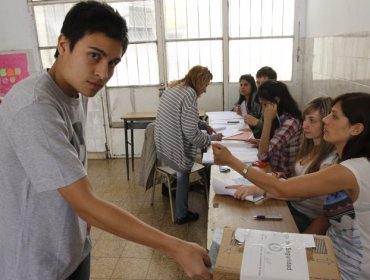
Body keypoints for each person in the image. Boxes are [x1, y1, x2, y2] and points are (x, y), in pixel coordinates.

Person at [0, 2, 212, 280]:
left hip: (72, 248)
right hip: (36, 263)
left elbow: (73, 170)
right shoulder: (34, 106)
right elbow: (85, 201)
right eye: (94, 56)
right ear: (63, 44)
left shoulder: (75, 92)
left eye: (113, 62)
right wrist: (176, 246)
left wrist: (82, 223)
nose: (104, 73)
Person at [212, 92, 370, 280]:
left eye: (334, 116)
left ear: (356, 129)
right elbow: (327, 215)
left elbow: (282, 190)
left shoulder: (348, 171)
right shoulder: (349, 164)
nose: (326, 120)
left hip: (347, 271)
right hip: (327, 254)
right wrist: (300, 243)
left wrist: (231, 161)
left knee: (235, 257)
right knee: (225, 243)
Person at [227, 97, 336, 232]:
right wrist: (279, 177)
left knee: (252, 226)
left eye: (312, 121)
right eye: (305, 119)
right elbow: (299, 178)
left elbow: (301, 193)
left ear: (326, 122)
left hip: (304, 216)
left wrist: (260, 189)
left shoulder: (330, 161)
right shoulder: (309, 146)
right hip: (291, 204)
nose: (305, 125)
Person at [155, 65, 222, 225]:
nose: (205, 90)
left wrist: (204, 126)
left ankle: (168, 189)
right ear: (199, 81)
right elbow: (191, 134)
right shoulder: (190, 94)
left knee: (178, 169)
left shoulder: (175, 88)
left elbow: (184, 117)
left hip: (163, 144)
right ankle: (181, 215)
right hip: (173, 146)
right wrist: (211, 139)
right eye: (205, 85)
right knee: (183, 172)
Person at [254, 80, 302, 177]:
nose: (262, 109)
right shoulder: (279, 117)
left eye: (265, 104)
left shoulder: (290, 123)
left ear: (276, 101)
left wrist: (267, 121)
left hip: (284, 178)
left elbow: (262, 156)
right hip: (272, 170)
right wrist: (261, 141)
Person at [244, 66, 277, 138]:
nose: (260, 86)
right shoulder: (261, 98)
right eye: (258, 83)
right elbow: (261, 118)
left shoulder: (276, 100)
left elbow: (276, 130)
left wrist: (257, 122)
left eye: (264, 83)